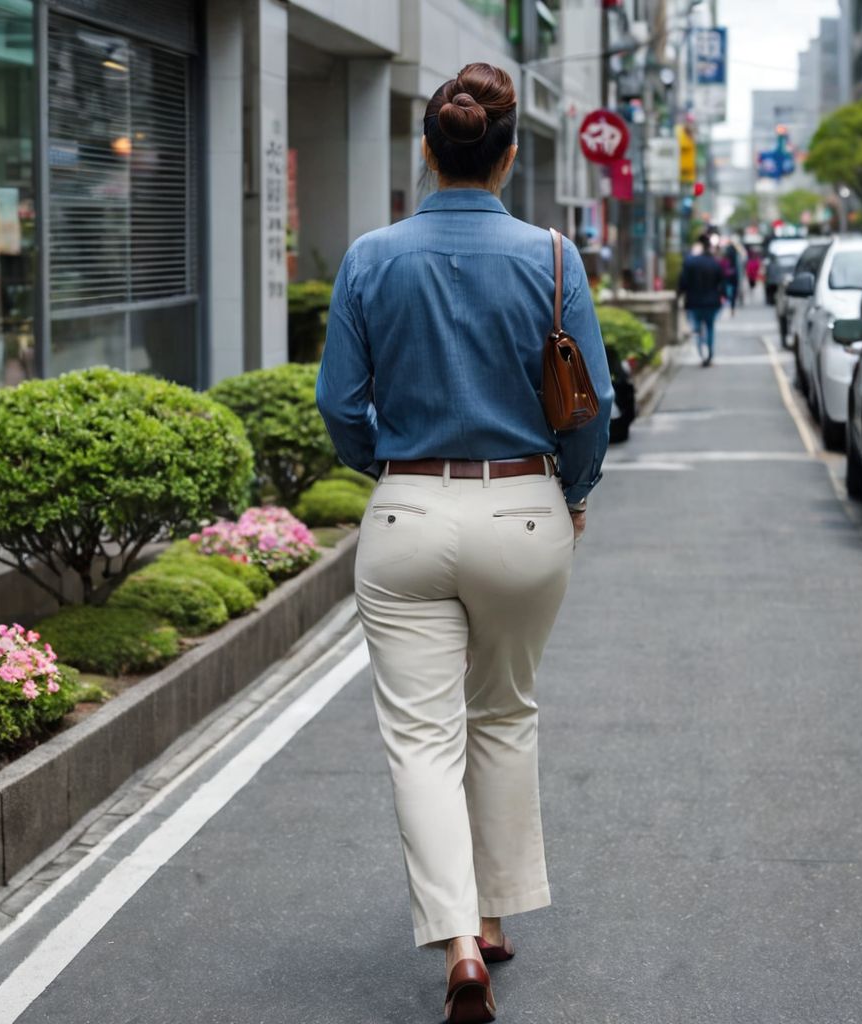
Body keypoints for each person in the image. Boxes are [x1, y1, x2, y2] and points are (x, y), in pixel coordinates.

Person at [316, 63, 613, 1024]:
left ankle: (456, 943)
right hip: (524, 511)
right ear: (511, 154)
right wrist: (570, 495)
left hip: (407, 514)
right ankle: (492, 915)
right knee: (505, 714)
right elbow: (590, 412)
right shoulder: (556, 258)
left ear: (428, 153)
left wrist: (389, 467)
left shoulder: (369, 257)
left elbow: (337, 404)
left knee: (420, 739)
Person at [677, 234, 725, 366]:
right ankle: (709, 353)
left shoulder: (690, 262)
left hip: (694, 302)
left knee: (697, 330)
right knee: (710, 328)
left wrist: (679, 296)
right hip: (711, 302)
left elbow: (683, 282)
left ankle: (702, 353)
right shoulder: (715, 263)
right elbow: (721, 283)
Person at [720, 240, 740, 313]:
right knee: (733, 292)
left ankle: (728, 305)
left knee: (728, 291)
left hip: (727, 276)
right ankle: (732, 307)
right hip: (734, 275)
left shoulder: (725, 256)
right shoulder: (737, 254)